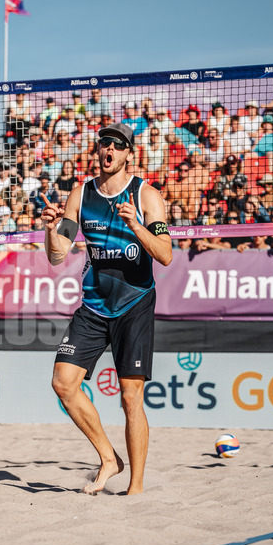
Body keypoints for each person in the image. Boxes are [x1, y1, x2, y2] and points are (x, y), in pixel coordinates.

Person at [41, 122, 173, 496]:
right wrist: (51, 230)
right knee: (63, 384)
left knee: (131, 397)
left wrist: (137, 227)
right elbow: (57, 256)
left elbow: (164, 255)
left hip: (134, 302)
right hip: (95, 306)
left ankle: (136, 488)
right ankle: (109, 459)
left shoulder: (146, 196)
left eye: (117, 144)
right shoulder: (81, 194)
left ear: (129, 153)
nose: (109, 149)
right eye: (104, 144)